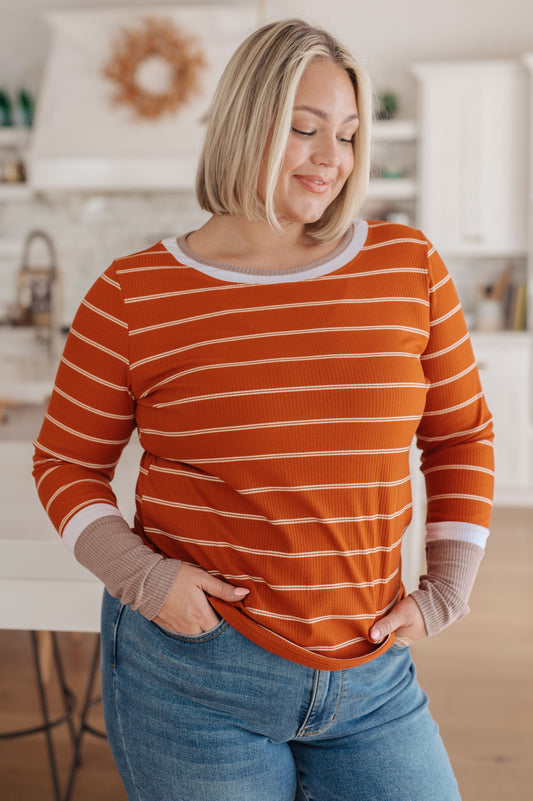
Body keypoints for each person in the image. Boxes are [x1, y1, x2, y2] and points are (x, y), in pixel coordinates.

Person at [33, 18, 494, 801]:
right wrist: (143, 578)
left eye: (347, 134)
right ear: (246, 121)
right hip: (193, 672)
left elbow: (460, 435)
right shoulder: (133, 293)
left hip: (369, 671)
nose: (331, 157)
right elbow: (64, 463)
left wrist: (448, 583)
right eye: (304, 128)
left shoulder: (406, 265)